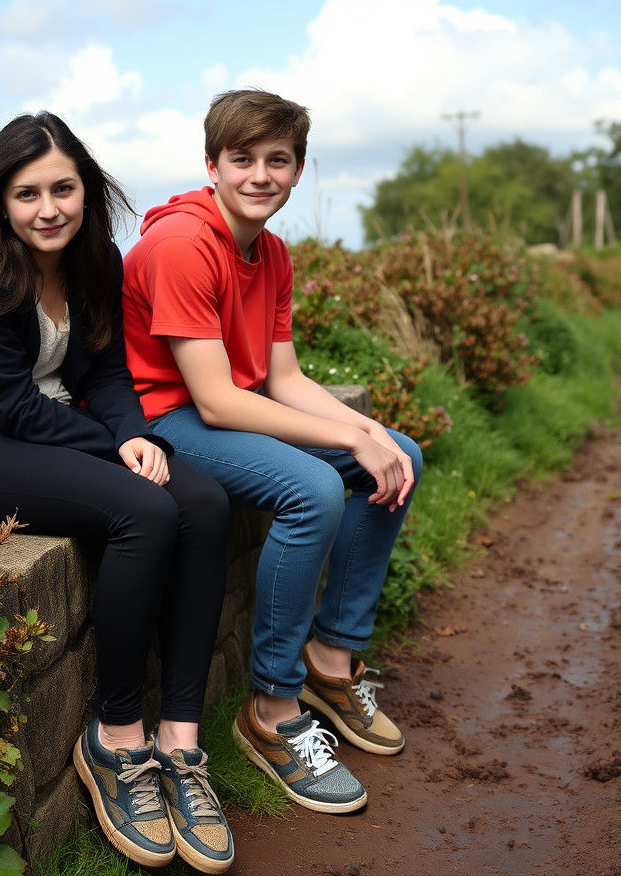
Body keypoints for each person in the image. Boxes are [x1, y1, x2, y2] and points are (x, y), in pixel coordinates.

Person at [0, 112, 234, 873]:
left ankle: (180, 742)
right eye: (28, 194)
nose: (48, 209)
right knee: (144, 510)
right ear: (1, 200)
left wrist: (135, 434)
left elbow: (105, 373)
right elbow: (12, 407)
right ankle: (117, 739)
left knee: (204, 503)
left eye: (63, 189)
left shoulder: (96, 259)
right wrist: (115, 447)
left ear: (87, 190)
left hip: (57, 428)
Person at [122, 89, 423, 814]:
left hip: (222, 409)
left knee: (402, 454)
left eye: (278, 160)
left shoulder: (271, 252)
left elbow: (283, 378)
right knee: (312, 489)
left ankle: (331, 659)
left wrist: (372, 434)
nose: (261, 175)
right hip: (166, 420)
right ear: (212, 165)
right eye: (243, 159)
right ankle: (273, 708)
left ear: (298, 170)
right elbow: (216, 401)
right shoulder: (182, 244)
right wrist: (350, 435)